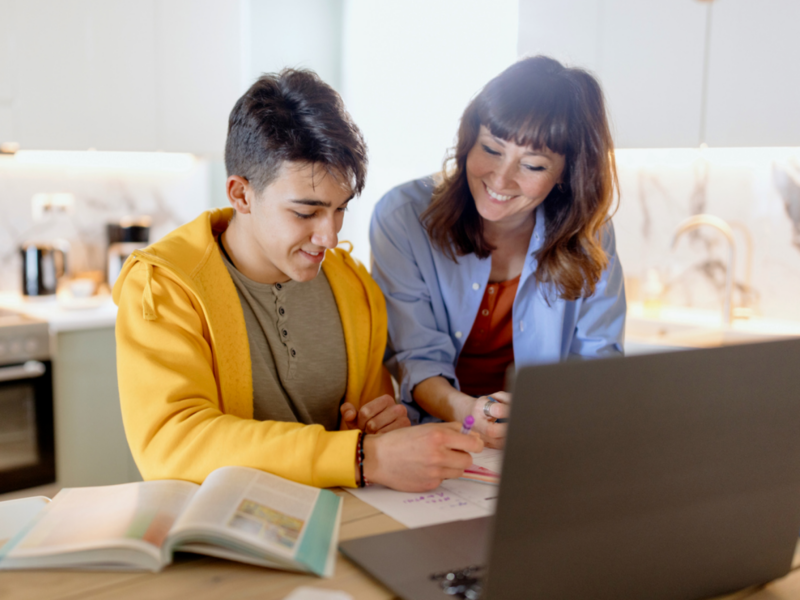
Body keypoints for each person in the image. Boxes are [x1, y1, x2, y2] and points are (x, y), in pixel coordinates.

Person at [113, 69, 481, 493]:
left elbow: (367, 431)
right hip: (218, 541)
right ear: (240, 194)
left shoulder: (354, 288)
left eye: (340, 209)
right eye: (305, 213)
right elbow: (173, 442)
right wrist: (361, 457)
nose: (330, 236)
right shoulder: (164, 286)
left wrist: (377, 430)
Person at [369, 56, 626, 448]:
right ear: (469, 137)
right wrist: (470, 414)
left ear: (566, 174)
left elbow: (597, 365)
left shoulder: (590, 235)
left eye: (534, 166)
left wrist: (541, 417)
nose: (501, 179)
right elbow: (414, 357)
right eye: (490, 148)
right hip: (437, 437)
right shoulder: (403, 218)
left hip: (547, 442)